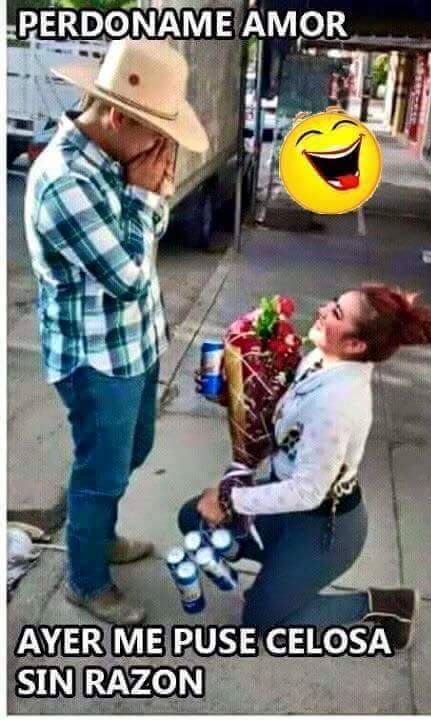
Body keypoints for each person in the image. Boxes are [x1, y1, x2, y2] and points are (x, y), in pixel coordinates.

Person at [25, 39, 208, 624]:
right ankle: (86, 578)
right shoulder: (66, 181)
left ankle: (98, 534)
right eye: (157, 135)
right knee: (100, 472)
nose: (163, 150)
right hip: (96, 359)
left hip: (133, 345)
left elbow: (146, 240)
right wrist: (146, 195)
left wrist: (145, 197)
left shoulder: (117, 159)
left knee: (136, 448)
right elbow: (130, 277)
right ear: (118, 117)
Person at [179, 284, 431, 650]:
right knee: (193, 518)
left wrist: (229, 500)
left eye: (336, 314)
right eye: (333, 302)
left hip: (322, 530)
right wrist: (231, 392)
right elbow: (280, 418)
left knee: (259, 622)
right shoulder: (322, 360)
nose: (322, 310)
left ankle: (384, 606)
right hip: (284, 512)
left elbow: (307, 492)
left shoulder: (337, 406)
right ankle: (280, 576)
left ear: (355, 345)